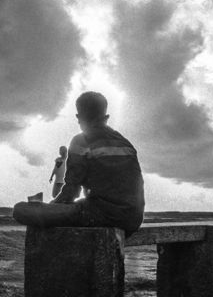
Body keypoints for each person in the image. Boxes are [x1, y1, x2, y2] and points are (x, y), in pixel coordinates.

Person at [13, 92, 145, 236]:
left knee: (20, 209)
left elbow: (71, 192)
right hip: (133, 219)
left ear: (79, 117)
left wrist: (50, 208)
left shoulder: (81, 141)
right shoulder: (125, 143)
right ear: (105, 116)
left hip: (100, 214)